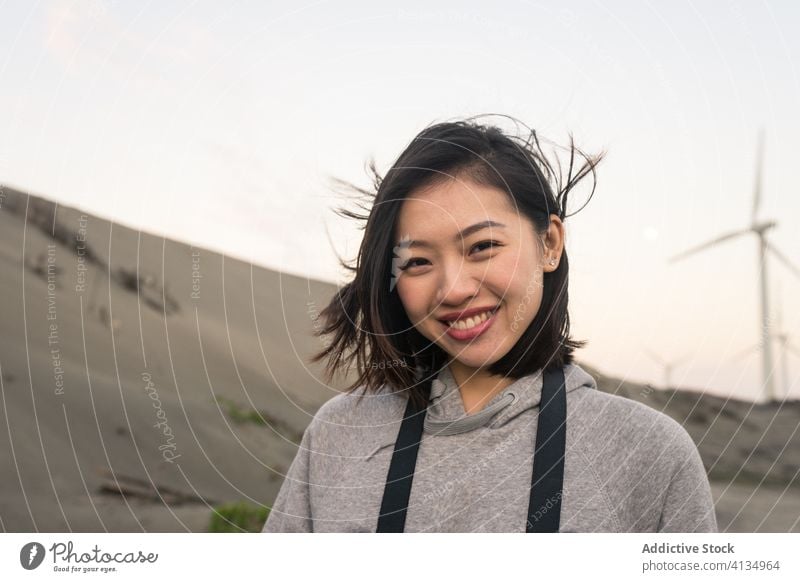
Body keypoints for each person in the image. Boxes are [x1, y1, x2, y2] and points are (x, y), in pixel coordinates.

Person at [262, 115, 718, 533]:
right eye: (418, 261)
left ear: (549, 244)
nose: (453, 289)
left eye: (482, 246)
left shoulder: (649, 454)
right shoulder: (340, 435)